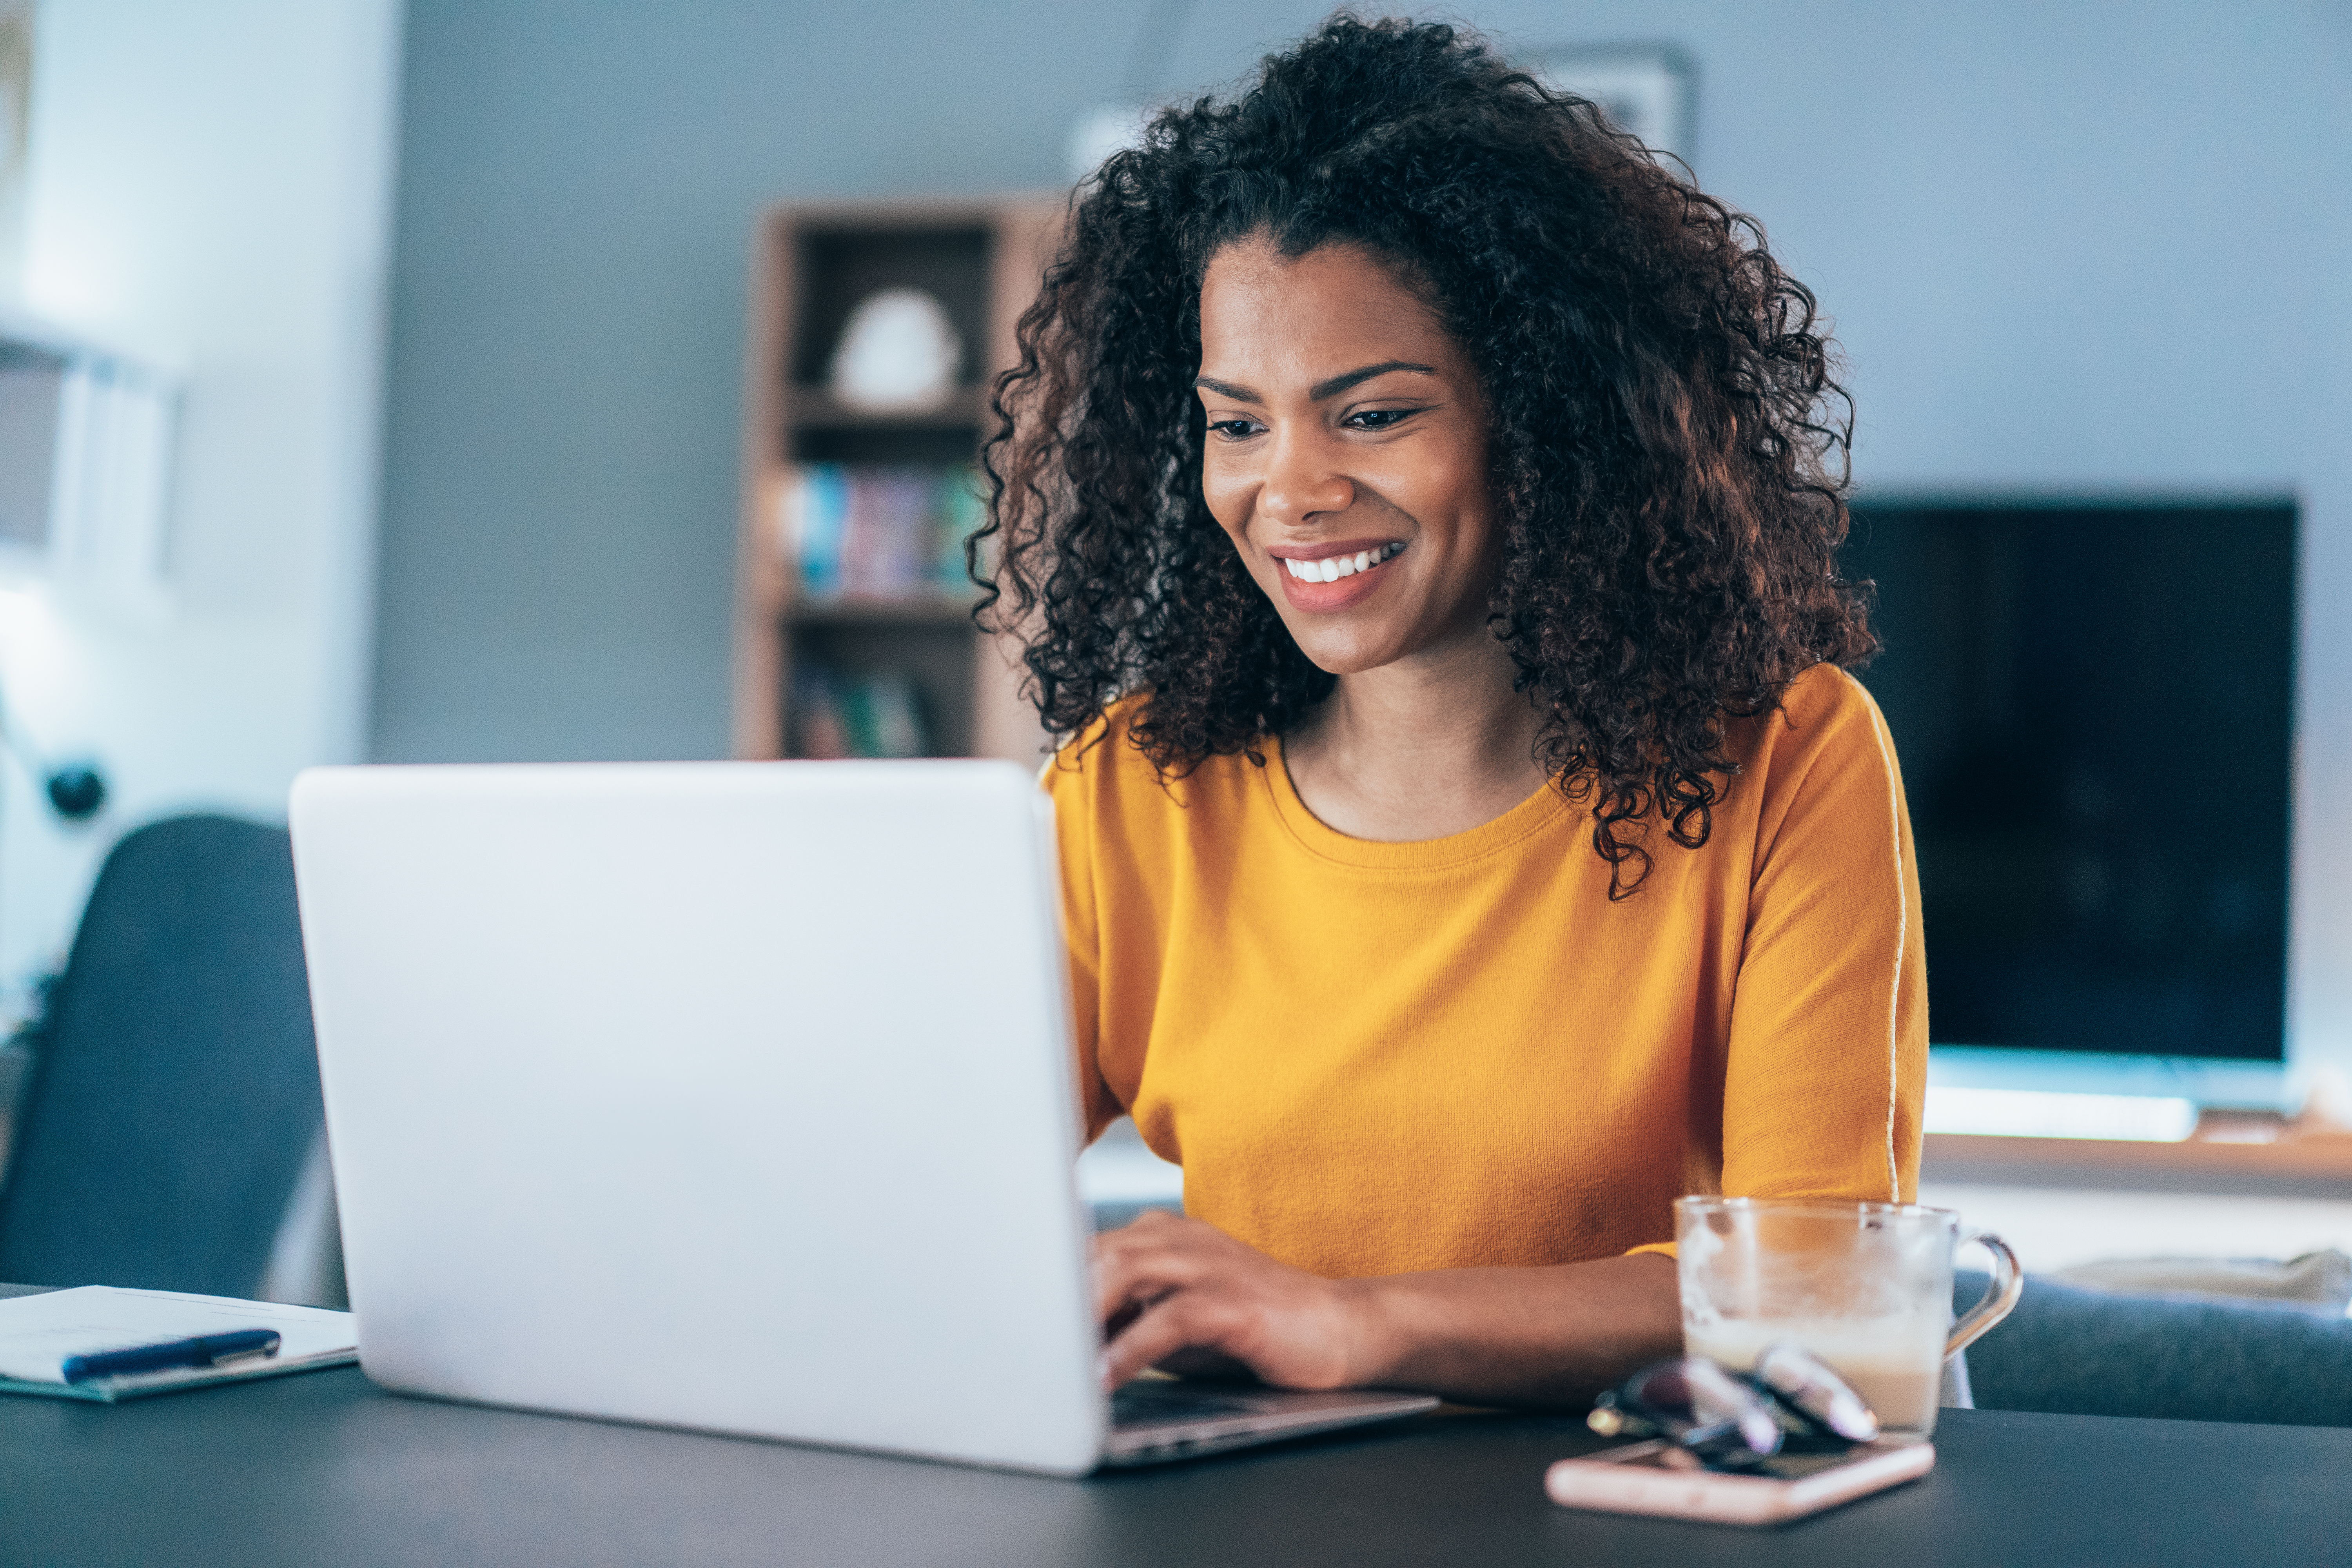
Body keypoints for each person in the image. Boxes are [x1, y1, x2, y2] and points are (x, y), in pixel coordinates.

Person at [975, 15, 1926, 1408]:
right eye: (1237, 423)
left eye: (1371, 416)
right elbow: (926, 1188)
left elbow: (1822, 1284)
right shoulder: (1133, 791)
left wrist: (1357, 1326)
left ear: (1543, 420)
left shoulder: (1786, 754)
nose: (1287, 490)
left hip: (1624, 1507)